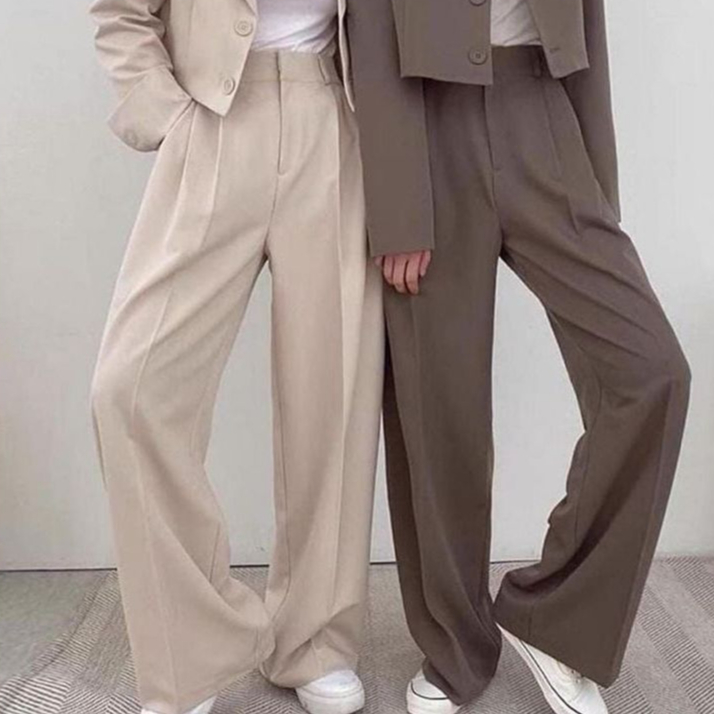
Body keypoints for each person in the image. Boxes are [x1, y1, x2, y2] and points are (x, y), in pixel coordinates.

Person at [347, 1, 691, 713]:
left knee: (652, 373)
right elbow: (371, 25)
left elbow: (586, 18)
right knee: (441, 406)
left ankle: (557, 618)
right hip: (428, 127)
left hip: (545, 112)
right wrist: (398, 203)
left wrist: (596, 175)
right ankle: (454, 648)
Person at [88, 1, 384, 713]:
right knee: (131, 392)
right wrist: (168, 116)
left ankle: (313, 639)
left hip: (334, 115)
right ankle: (190, 649)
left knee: (332, 396)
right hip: (213, 116)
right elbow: (122, 12)